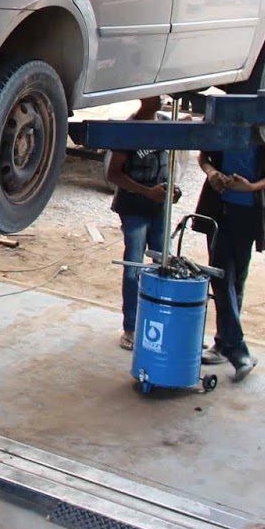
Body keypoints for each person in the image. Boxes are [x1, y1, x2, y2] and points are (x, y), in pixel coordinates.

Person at [197, 133, 265, 381]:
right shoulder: (224, 124)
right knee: (221, 276)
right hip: (220, 210)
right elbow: (203, 157)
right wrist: (212, 174)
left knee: (236, 279)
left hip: (249, 213)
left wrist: (251, 187)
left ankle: (222, 342)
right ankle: (237, 350)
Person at [106, 96, 179, 350]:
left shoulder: (166, 124)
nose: (160, 99)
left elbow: (170, 164)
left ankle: (162, 321)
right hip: (134, 209)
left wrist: (172, 189)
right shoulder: (130, 129)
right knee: (133, 268)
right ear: (143, 97)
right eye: (155, 95)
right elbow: (113, 173)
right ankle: (131, 326)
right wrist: (147, 192)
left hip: (160, 208)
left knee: (165, 264)